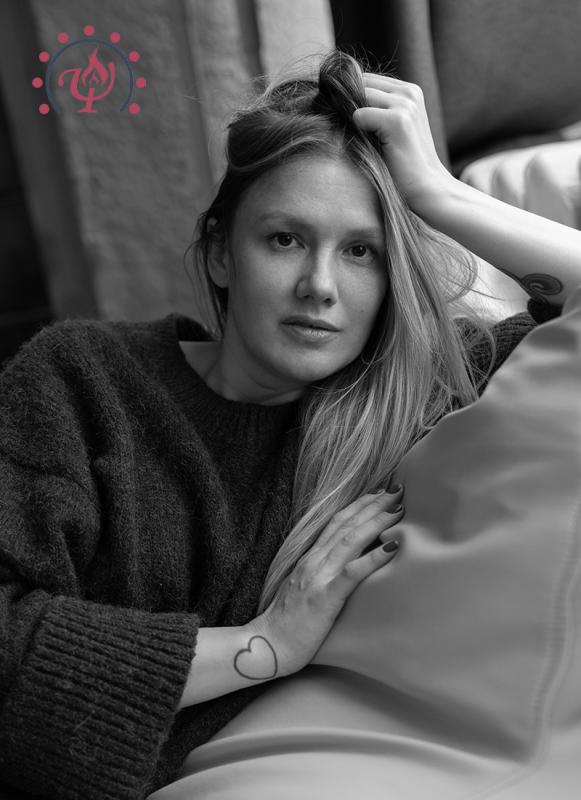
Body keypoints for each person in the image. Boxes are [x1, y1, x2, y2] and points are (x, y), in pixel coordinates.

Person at [0, 49, 578, 800]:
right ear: (220, 253)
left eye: (361, 252)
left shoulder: (425, 395)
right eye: (285, 239)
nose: (319, 287)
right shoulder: (84, 380)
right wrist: (264, 643)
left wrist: (440, 196)